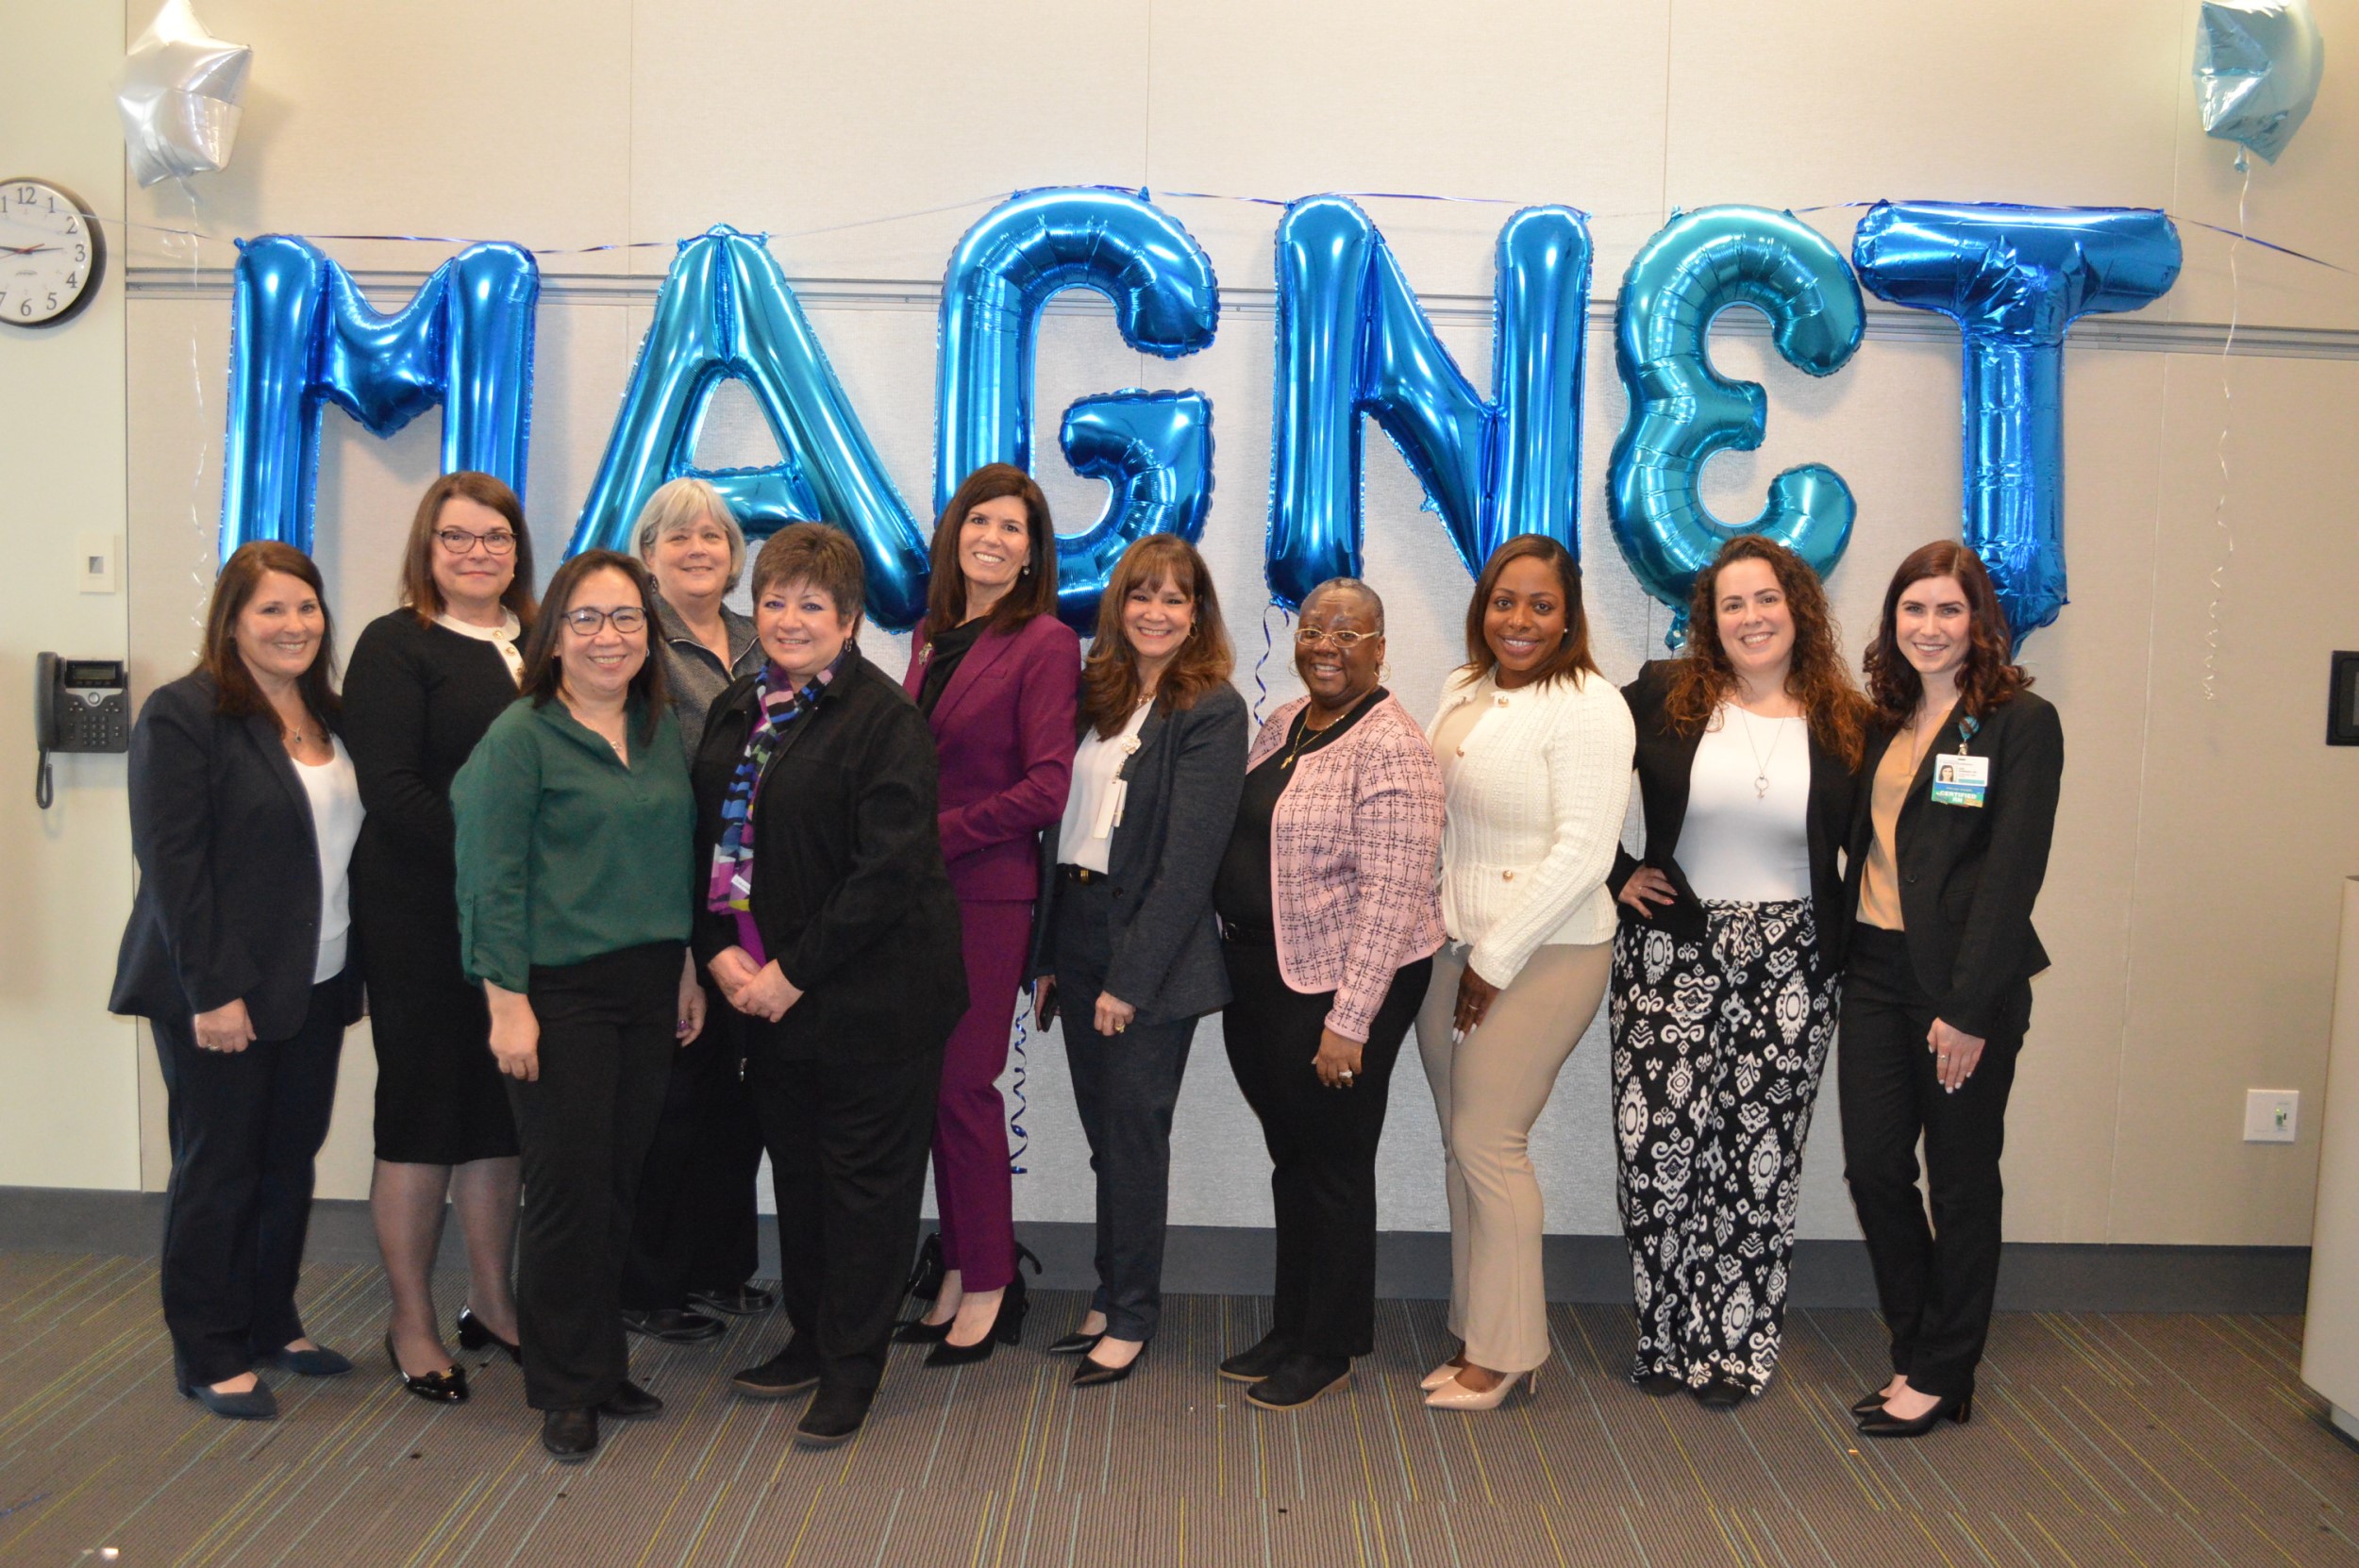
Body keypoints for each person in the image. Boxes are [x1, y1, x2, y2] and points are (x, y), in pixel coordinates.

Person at [702, 525, 967, 1448]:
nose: (789, 618)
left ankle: (852, 1367)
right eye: (773, 599)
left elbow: (886, 872)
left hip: (875, 1005)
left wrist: (791, 973)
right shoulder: (741, 711)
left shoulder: (885, 722)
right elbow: (719, 845)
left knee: (865, 1193)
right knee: (805, 1181)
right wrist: (720, 953)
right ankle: (811, 1336)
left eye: (812, 603)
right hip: (770, 1002)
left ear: (850, 620)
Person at [450, 550, 706, 1462]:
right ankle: (562, 1386)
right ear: (553, 634)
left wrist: (682, 966)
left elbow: (671, 860)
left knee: (615, 1183)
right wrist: (505, 1001)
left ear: (650, 633)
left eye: (628, 618)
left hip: (646, 985)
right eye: (588, 619)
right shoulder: (520, 737)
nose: (610, 636)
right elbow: (488, 878)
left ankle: (600, 1365)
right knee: (564, 1191)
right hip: (556, 992)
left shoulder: (659, 729)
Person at [110, 542, 366, 1422]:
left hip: (318, 978)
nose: (294, 625)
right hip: (219, 988)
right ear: (232, 619)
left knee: (285, 1161)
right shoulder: (185, 715)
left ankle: (270, 1321)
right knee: (218, 1166)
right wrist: (212, 993)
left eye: (307, 607)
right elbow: (173, 866)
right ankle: (207, 1346)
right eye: (272, 610)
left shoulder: (330, 714)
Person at [1609, 534, 1865, 1408]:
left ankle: (1735, 1345)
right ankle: (1665, 1335)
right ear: (1708, 621)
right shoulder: (1659, 696)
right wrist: (1615, 872)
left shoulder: (1847, 721)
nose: (1752, 618)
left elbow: (1879, 847)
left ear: (1798, 609)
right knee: (1657, 1153)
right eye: (1732, 604)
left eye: (1767, 599)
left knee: (1756, 1158)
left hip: (1793, 959)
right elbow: (1563, 769)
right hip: (1670, 949)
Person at [1840, 542, 2063, 1440]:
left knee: (1961, 1182)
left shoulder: (2018, 722)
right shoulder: (1879, 722)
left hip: (1965, 985)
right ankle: (1922, 1347)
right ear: (1893, 621)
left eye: (1948, 611)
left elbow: (2014, 875)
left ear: (1980, 623)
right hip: (1872, 973)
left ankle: (1941, 1368)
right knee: (1876, 1169)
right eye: (1913, 610)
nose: (1929, 628)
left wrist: (1968, 1012)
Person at [1414, 536, 1634, 1412]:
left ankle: (1508, 1355)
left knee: (1489, 1144)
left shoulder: (1590, 705)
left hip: (1547, 953)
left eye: (1541, 605)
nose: (1520, 620)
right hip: (1453, 950)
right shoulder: (1461, 690)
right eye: (1506, 601)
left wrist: (1496, 961)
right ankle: (1475, 1326)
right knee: (1459, 1144)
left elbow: (1583, 854)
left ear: (1570, 615)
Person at [1214, 578, 1443, 1410]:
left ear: (1380, 648)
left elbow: (1393, 897)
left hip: (1342, 985)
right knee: (1293, 1159)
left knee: (1335, 1164)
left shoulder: (1394, 745)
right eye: (1315, 629)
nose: (1328, 645)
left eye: (1349, 632)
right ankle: (1296, 1322)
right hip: (1262, 978)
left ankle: (1329, 1346)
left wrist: (1350, 1023)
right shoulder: (1284, 724)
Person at [1030, 534, 1246, 1390]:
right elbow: (1063, 829)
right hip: (1078, 926)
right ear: (1119, 608)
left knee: (1133, 1139)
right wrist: (1050, 952)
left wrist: (1128, 980)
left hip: (1148, 951)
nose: (1156, 612)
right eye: (1141, 595)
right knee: (1101, 1138)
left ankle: (1131, 1315)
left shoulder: (1211, 709)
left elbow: (1189, 865)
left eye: (1175, 598)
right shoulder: (1100, 695)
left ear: (1197, 615)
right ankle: (1109, 1290)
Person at [343, 472, 535, 1405]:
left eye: (493, 538)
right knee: (422, 1117)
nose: (475, 554)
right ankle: (410, 1318)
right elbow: (394, 792)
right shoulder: (394, 645)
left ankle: (494, 1302)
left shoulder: (541, 640)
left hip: (519, 923)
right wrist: (504, 862)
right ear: (427, 548)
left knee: (499, 1116)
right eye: (455, 538)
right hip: (421, 916)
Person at [895, 464, 1079, 1362]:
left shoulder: (1045, 642)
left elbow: (1048, 787)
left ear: (1032, 552)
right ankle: (964, 1268)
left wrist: (939, 834)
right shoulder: (932, 635)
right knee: (934, 1090)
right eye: (981, 522)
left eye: (1015, 529)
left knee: (965, 1088)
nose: (994, 539)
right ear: (956, 533)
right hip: (920, 897)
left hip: (989, 893)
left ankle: (995, 1282)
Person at [620, 477, 770, 1344]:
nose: (699, 549)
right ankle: (649, 1284)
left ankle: (720, 1270)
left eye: (713, 536)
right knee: (667, 1104)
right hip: (669, 899)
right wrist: (681, 941)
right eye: (678, 538)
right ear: (648, 556)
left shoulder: (760, 639)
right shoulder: (635, 643)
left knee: (733, 1099)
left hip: (751, 901)